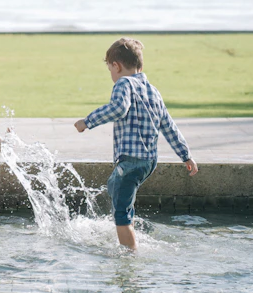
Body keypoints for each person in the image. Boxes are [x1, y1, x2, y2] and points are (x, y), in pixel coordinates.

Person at [74, 38, 198, 251]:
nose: (112, 75)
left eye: (110, 70)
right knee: (115, 186)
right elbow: (168, 125)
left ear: (117, 66)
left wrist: (87, 121)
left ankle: (130, 256)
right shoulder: (153, 91)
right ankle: (127, 229)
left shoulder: (123, 84)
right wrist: (186, 155)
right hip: (148, 161)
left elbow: (119, 109)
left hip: (130, 160)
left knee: (121, 213)